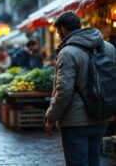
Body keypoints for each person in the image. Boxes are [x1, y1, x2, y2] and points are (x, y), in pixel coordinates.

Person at [45, 11, 115, 166]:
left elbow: (64, 90)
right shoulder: (109, 48)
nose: (58, 35)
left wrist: (51, 117)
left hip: (75, 121)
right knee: (94, 160)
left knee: (78, 162)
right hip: (102, 115)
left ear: (63, 29)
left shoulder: (67, 52)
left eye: (58, 32)